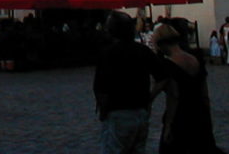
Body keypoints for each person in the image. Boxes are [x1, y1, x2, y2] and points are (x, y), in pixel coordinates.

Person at [93, 11, 168, 154]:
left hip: (117, 112)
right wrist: (150, 98)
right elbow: (162, 77)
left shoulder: (108, 53)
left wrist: (103, 110)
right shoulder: (143, 50)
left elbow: (100, 88)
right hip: (140, 112)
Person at [153, 22, 219, 153]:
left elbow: (174, 96)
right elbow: (204, 94)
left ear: (161, 44)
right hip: (199, 113)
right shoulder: (196, 59)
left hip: (181, 116)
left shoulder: (168, 65)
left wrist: (168, 125)